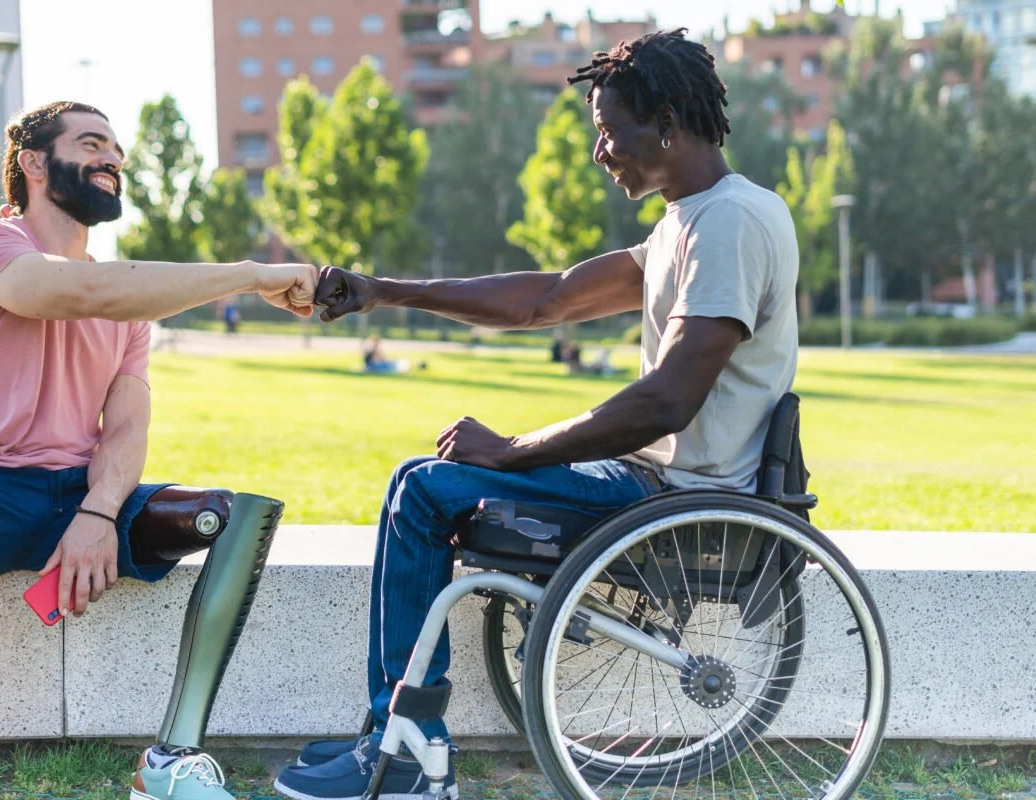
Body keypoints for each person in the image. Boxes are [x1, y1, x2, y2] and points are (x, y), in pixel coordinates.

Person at [277, 28, 799, 800]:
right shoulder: (689, 221)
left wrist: (512, 451)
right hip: (655, 480)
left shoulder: (728, 224)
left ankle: (409, 751)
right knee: (421, 480)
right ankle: (393, 733)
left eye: (606, 132)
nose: (599, 153)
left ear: (662, 120)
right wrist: (387, 290)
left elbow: (667, 399)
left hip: (678, 494)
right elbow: (546, 299)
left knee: (424, 490)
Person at [0, 101, 317, 800]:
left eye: (117, 150)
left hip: (80, 494)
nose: (113, 159)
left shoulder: (130, 304)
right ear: (35, 164)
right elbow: (77, 293)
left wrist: (100, 511)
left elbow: (126, 422)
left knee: (237, 517)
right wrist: (254, 273)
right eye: (92, 143)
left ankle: (169, 762)